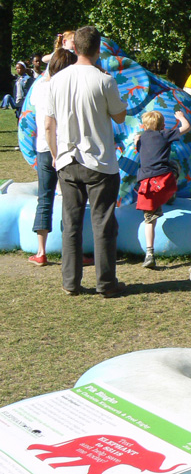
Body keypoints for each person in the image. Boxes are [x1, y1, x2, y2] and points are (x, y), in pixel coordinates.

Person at [46, 26, 128, 298]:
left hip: (67, 160)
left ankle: (70, 282)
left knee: (71, 224)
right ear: (98, 48)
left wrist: (56, 155)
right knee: (103, 223)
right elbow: (119, 117)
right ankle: (106, 284)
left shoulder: (56, 80)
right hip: (99, 161)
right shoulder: (104, 80)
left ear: (74, 48)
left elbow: (48, 123)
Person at [28, 48, 78, 266]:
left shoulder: (40, 87)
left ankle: (41, 251)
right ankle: (74, 252)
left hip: (43, 149)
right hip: (64, 150)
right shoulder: (68, 89)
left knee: (44, 198)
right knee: (73, 201)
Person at [134, 109, 190, 268]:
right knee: (173, 165)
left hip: (147, 185)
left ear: (144, 126)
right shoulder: (165, 134)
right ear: (162, 125)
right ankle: (170, 196)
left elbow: (137, 147)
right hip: (164, 182)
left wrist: (136, 141)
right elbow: (187, 128)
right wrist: (181, 117)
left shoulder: (142, 138)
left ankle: (149, 253)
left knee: (150, 220)